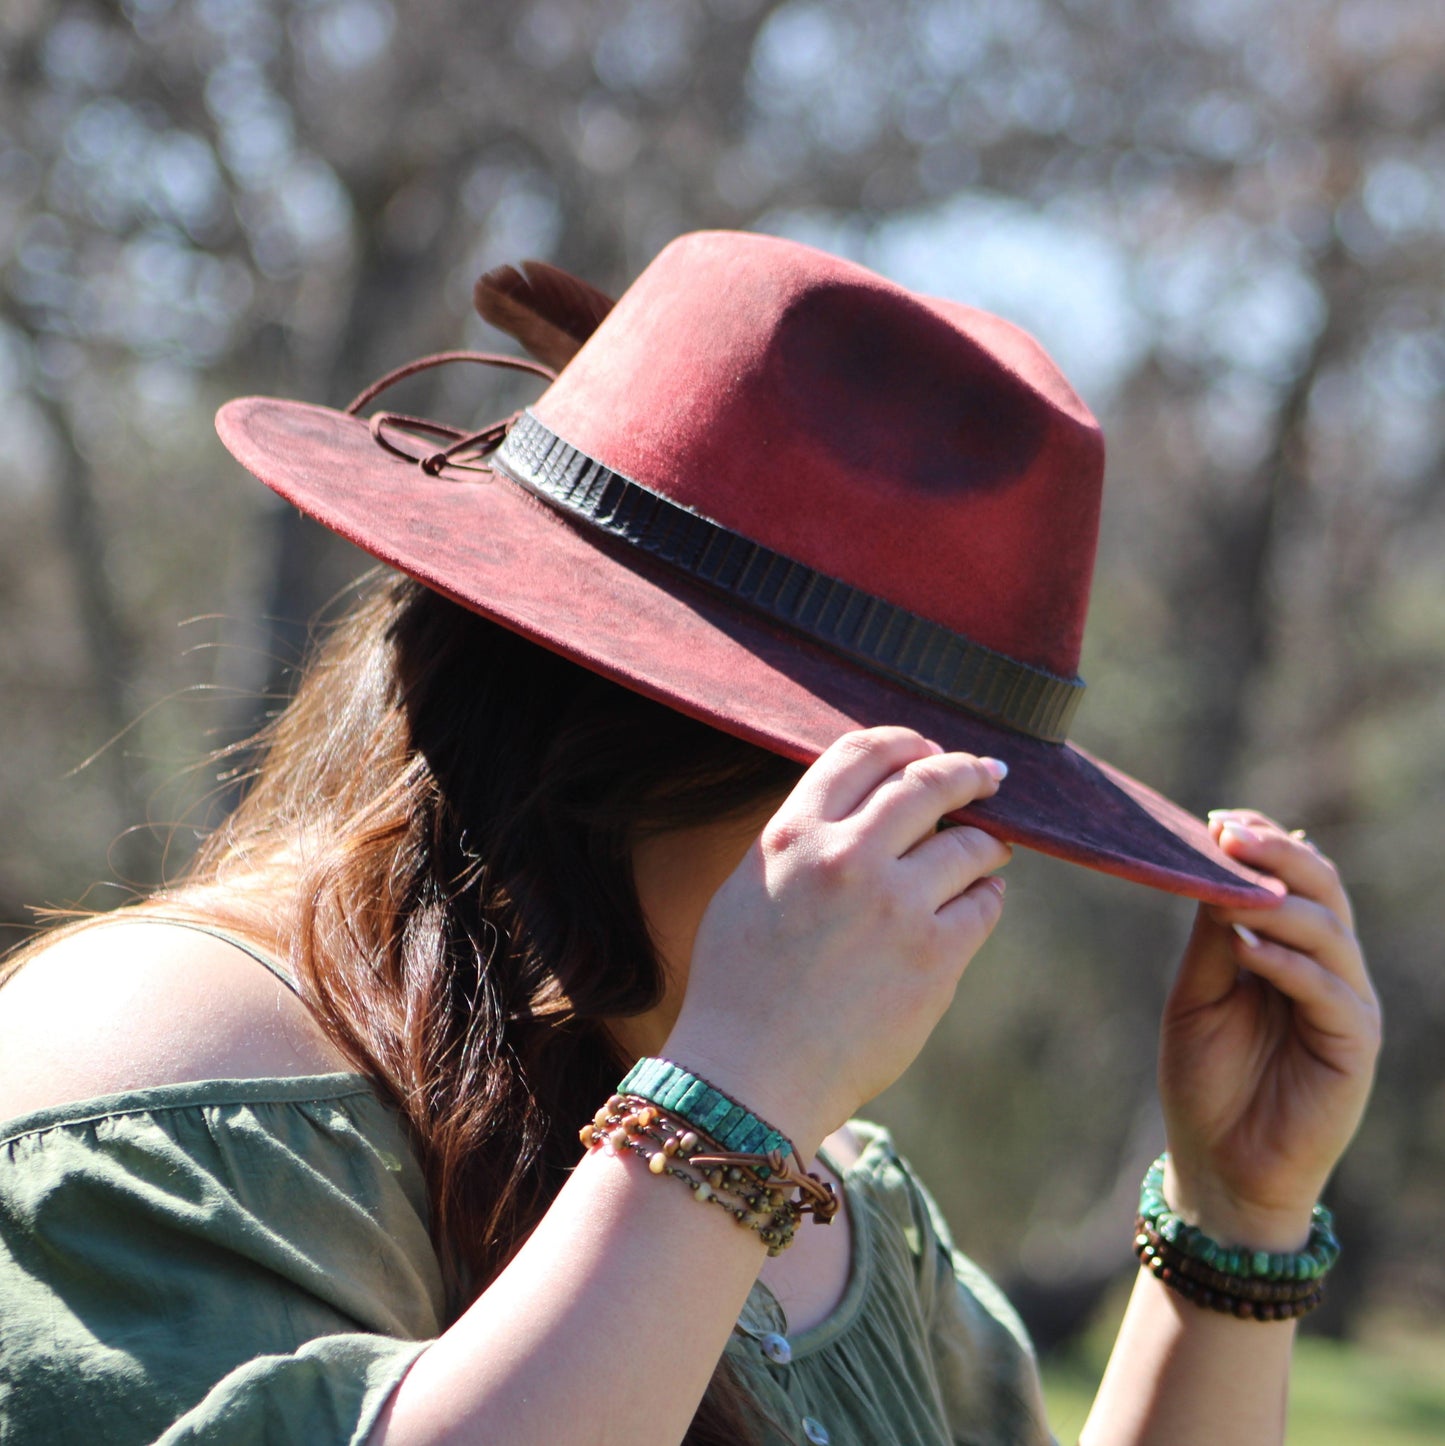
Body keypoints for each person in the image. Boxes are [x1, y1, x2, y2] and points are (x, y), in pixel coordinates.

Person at [0, 231, 1378, 1446]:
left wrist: (1235, 1225)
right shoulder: (172, 1069)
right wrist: (729, 1103)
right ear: (607, 750)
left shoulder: (825, 1197)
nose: (947, 893)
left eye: (982, 820)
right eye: (907, 806)